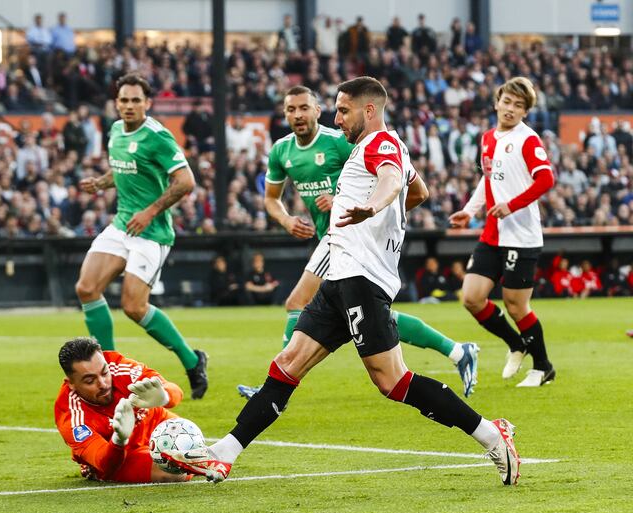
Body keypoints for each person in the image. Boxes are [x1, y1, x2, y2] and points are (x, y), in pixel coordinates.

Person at [164, 77, 519, 486]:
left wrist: (374, 206)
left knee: (392, 380)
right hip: (339, 275)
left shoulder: (380, 144)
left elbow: (390, 179)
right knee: (287, 364)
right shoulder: (370, 149)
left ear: (369, 110)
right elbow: (414, 189)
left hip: (363, 277)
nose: (337, 118)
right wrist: (388, 206)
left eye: (343, 110)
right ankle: (224, 453)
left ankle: (494, 435)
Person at [241, 85, 478, 399]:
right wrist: (286, 220)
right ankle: (458, 351)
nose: (297, 115)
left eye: (304, 108)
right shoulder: (281, 151)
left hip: (342, 238)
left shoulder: (342, 141)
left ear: (316, 110)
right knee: (368, 318)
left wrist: (364, 208)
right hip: (332, 242)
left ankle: (273, 390)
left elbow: (408, 186)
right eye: (290, 109)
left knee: (296, 302)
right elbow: (271, 199)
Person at [75, 74, 208, 399]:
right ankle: (108, 369)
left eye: (136, 100)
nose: (129, 106)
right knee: (87, 288)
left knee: (134, 307)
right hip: (122, 224)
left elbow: (186, 181)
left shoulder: (158, 137)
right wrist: (101, 183)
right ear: (116, 103)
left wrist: (149, 211)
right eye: (124, 100)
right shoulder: (116, 131)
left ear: (147, 104)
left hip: (152, 232)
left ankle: (192, 360)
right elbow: (124, 170)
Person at [449, 77, 556, 388]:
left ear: (525, 112)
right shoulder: (488, 138)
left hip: (522, 238)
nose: (511, 109)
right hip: (493, 234)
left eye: (518, 105)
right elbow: (488, 180)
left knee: (515, 304)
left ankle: (543, 367)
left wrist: (511, 205)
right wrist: (470, 210)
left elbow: (546, 179)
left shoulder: (528, 140)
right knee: (471, 297)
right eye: (507, 102)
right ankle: (516, 343)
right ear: (497, 102)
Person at [54, 337, 191, 483]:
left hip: (154, 425)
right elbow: (103, 462)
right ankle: (201, 461)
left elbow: (175, 390)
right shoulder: (71, 416)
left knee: (190, 435)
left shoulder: (119, 367)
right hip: (123, 456)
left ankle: (200, 458)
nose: (103, 383)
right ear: (71, 384)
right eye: (90, 380)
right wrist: (119, 440)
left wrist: (164, 396)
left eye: (105, 372)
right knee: (172, 472)